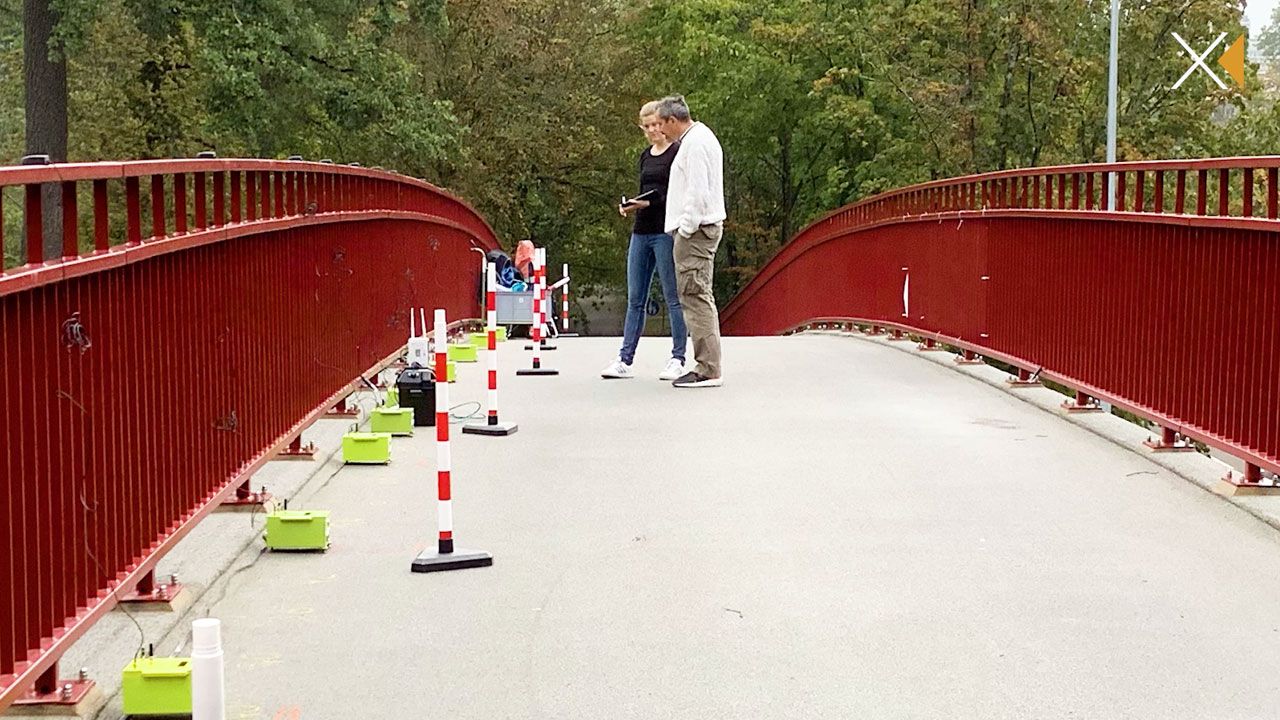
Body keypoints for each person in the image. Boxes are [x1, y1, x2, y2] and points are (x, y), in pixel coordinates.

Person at [600, 100, 688, 381]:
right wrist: (630, 206)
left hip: (664, 231)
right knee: (635, 297)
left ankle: (678, 357)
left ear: (664, 123)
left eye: (656, 124)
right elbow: (644, 191)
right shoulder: (645, 156)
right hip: (641, 232)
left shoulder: (676, 152)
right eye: (647, 126)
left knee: (673, 296)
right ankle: (625, 359)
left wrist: (646, 204)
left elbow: (671, 194)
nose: (653, 130)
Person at [656, 95, 726, 388]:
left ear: (674, 120)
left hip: (695, 232)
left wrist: (685, 228)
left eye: (661, 124)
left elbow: (697, 190)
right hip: (699, 229)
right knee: (697, 294)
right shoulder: (700, 138)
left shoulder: (694, 144)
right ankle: (707, 364)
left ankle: (707, 368)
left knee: (695, 295)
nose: (660, 130)